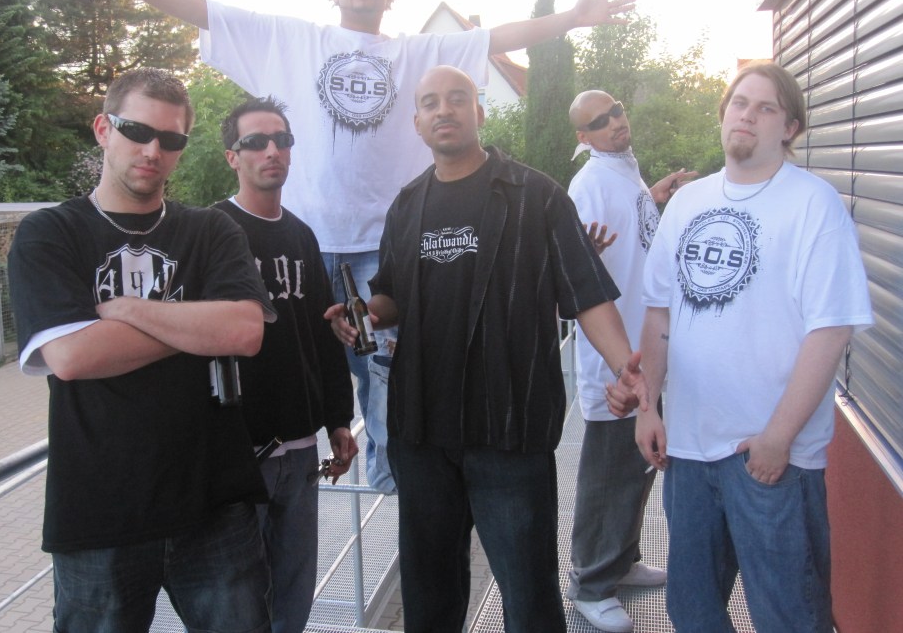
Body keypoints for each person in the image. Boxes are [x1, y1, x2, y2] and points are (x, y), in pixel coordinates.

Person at [54, 0, 635, 493]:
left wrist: (570, 18)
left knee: (390, 374)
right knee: (285, 363)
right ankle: (261, 481)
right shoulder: (294, 41)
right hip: (301, 245)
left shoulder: (418, 53)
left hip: (386, 249)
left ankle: (401, 488)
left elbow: (498, 36)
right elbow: (207, 11)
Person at [326, 65, 650, 633]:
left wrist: (627, 368)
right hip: (422, 431)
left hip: (509, 429)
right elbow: (392, 295)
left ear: (478, 112)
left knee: (528, 596)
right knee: (429, 597)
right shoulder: (407, 205)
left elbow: (587, 295)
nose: (444, 110)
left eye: (457, 98)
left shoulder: (537, 196)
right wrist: (365, 317)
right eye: (431, 102)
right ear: (418, 122)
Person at [8, 69, 277, 633]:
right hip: (99, 513)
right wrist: (196, 323)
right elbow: (72, 357)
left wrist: (127, 310)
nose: (153, 150)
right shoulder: (49, 233)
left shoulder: (211, 230)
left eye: (171, 139)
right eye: (136, 131)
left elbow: (243, 332)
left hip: (214, 505)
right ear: (103, 129)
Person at [616, 61, 872, 632]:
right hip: (689, 451)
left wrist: (778, 438)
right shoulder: (689, 202)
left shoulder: (814, 206)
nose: (747, 116)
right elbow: (660, 311)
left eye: (765, 108)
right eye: (739, 103)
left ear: (790, 128)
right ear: (723, 113)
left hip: (770, 457)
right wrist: (649, 408)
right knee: (692, 612)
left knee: (789, 617)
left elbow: (830, 330)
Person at [212, 96, 359, 633]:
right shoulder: (211, 230)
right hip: (237, 450)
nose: (271, 151)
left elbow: (323, 334)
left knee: (294, 592)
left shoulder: (301, 234)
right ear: (233, 156)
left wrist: (338, 419)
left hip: (299, 448)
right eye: (256, 142)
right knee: (236, 601)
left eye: (282, 140)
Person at [563, 90, 696, 632]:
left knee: (638, 465)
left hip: (647, 347)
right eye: (600, 121)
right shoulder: (589, 184)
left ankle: (620, 561)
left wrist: (654, 197)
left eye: (616, 110)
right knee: (608, 473)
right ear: (583, 137)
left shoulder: (625, 172)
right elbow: (570, 271)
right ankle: (590, 583)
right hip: (616, 358)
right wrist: (584, 256)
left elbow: (635, 240)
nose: (615, 122)